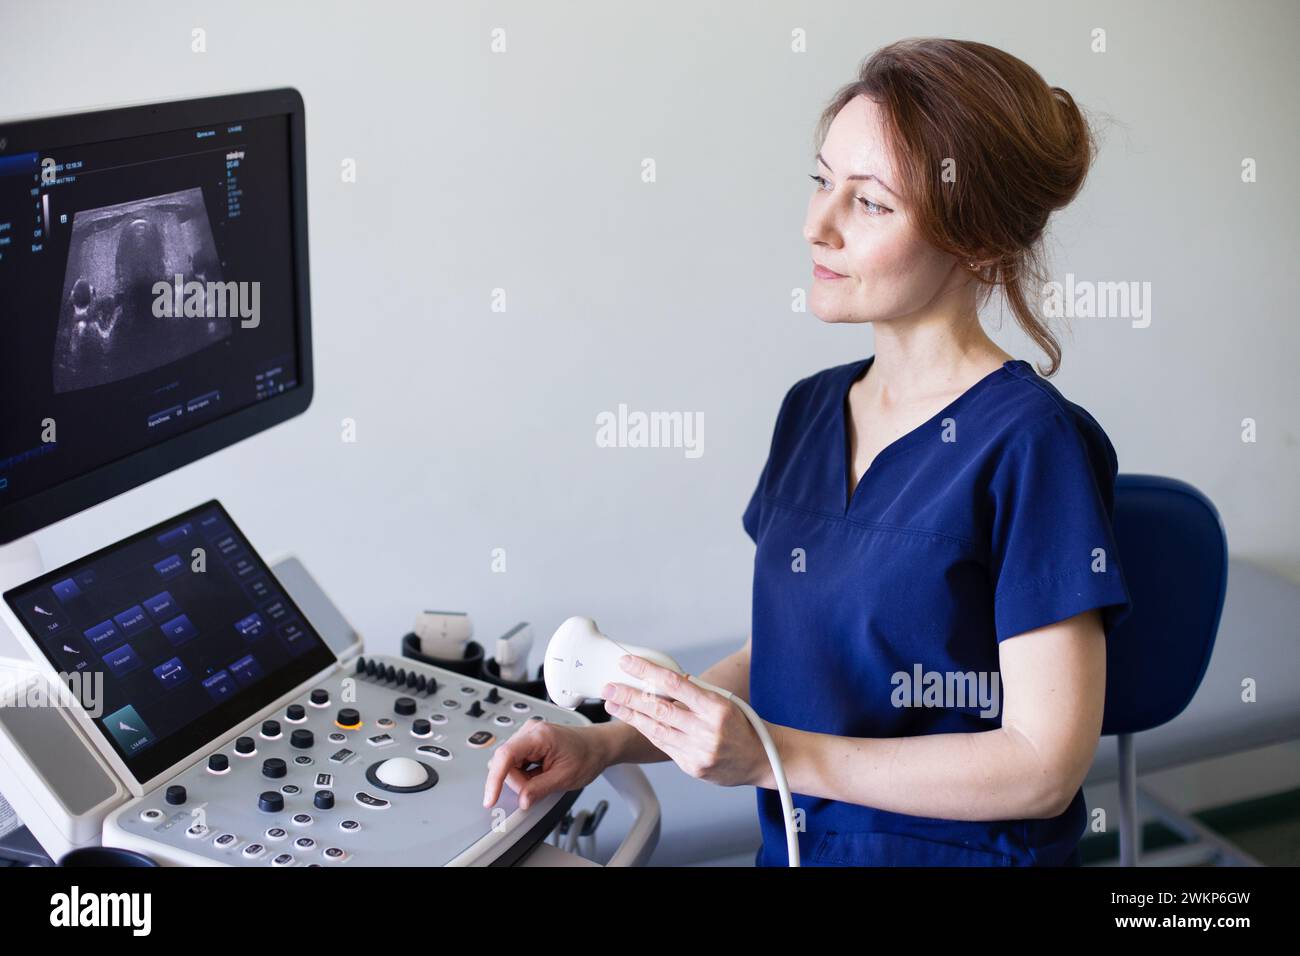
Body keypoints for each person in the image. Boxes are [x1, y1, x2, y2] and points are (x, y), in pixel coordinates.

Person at [482, 37, 1131, 866]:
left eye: (870, 204)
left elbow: (1043, 766)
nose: (816, 226)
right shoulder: (812, 412)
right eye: (823, 182)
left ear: (976, 242)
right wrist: (608, 744)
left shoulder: (1032, 446)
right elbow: (789, 660)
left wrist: (773, 758)